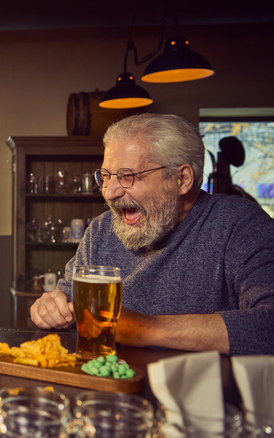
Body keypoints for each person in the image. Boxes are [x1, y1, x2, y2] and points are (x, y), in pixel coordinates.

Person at [30, 113, 274, 355]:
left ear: (182, 179)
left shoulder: (241, 224)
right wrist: (50, 307)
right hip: (108, 386)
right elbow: (66, 299)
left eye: (127, 176)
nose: (109, 192)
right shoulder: (101, 230)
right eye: (105, 177)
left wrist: (147, 329)